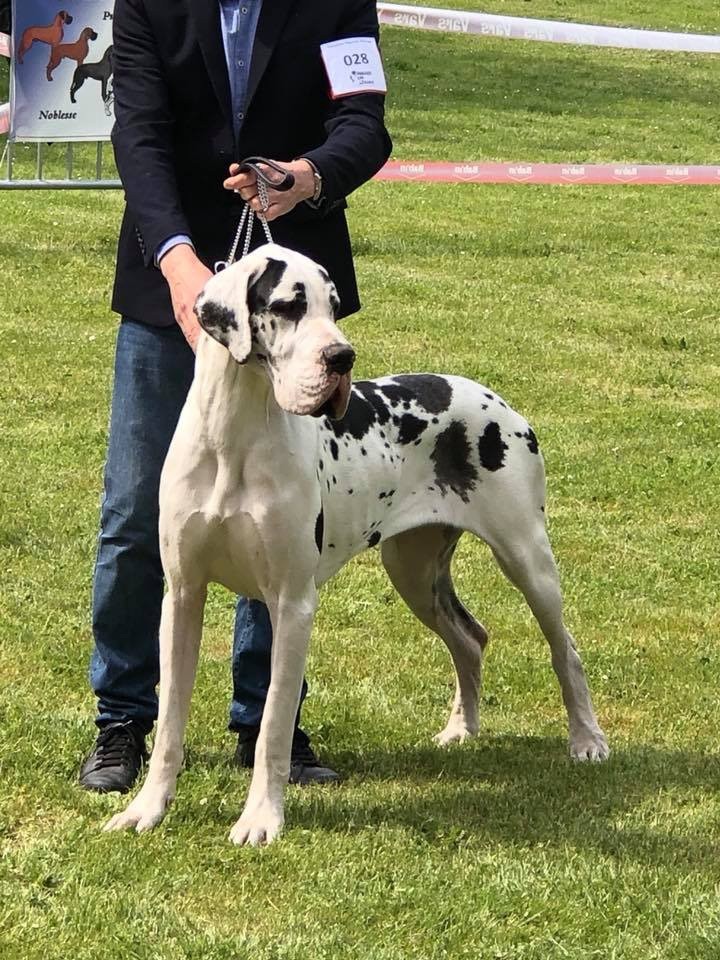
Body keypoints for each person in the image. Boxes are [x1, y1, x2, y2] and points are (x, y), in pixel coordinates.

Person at [79, 0, 392, 793]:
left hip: (293, 306)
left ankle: (265, 724)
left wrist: (307, 177)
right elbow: (139, 134)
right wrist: (179, 263)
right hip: (171, 289)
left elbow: (364, 124)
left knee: (277, 512)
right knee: (134, 514)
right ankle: (122, 720)